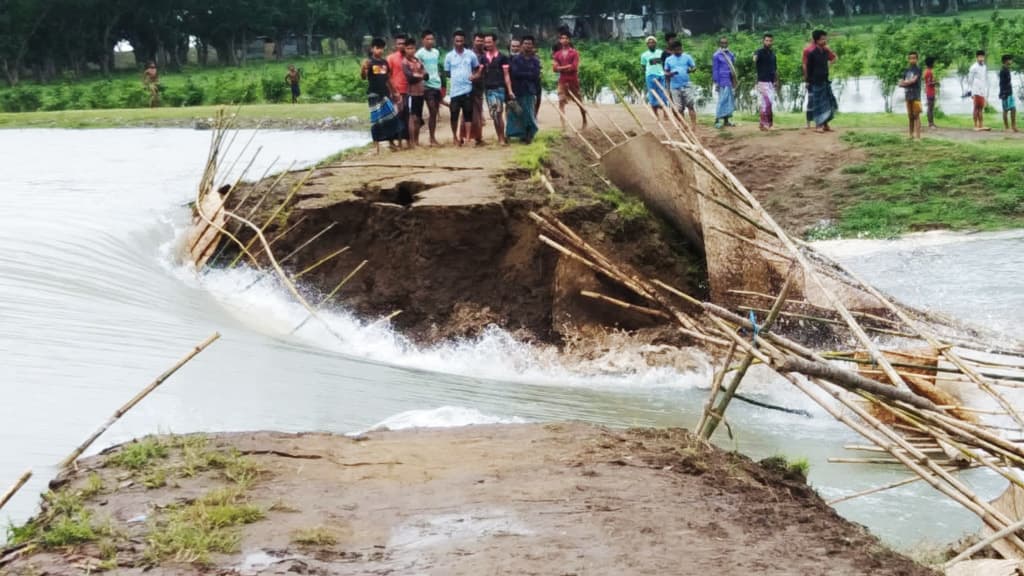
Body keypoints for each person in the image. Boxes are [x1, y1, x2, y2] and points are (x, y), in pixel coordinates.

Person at [361, 38, 402, 154]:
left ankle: (391, 143)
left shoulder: (384, 63)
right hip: (373, 94)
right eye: (377, 48)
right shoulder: (369, 62)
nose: (379, 50)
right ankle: (376, 147)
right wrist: (363, 68)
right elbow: (363, 77)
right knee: (376, 120)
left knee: (391, 117)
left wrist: (395, 92)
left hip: (385, 94)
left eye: (381, 48)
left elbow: (388, 79)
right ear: (372, 48)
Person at [444, 30, 480, 146]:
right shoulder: (449, 56)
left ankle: (468, 138)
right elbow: (447, 73)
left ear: (464, 41)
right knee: (454, 115)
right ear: (453, 41)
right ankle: (455, 137)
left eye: (461, 41)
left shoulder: (471, 55)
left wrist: (474, 76)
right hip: (455, 91)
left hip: (467, 89)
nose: (459, 43)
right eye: (457, 41)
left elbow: (478, 68)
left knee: (468, 114)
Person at [507, 35, 542, 144]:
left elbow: (536, 75)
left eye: (529, 44)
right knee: (516, 113)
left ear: (533, 46)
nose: (527, 46)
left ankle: (529, 134)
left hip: (530, 90)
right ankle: (519, 134)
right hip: (517, 89)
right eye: (525, 43)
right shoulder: (516, 59)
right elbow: (515, 73)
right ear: (522, 45)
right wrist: (528, 74)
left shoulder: (535, 60)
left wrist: (525, 74)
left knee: (528, 113)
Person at [481, 33, 512, 144]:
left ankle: (501, 137)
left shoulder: (503, 57)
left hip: (499, 88)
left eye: (489, 42)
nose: (487, 44)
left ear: (495, 42)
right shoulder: (483, 58)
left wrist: (510, 90)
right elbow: (481, 73)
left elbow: (506, 75)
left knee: (498, 112)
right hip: (488, 89)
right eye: (486, 42)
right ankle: (499, 135)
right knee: (493, 114)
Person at [553, 32, 587, 129]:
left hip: (573, 80)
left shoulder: (574, 53)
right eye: (562, 38)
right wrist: (566, 66)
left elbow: (574, 68)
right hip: (562, 81)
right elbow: (554, 69)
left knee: (579, 101)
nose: (564, 40)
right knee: (561, 101)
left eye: (566, 38)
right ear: (560, 40)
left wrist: (560, 67)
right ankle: (563, 124)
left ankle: (584, 120)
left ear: (569, 40)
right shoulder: (557, 54)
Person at [805, 30, 836, 133]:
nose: (825, 40)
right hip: (815, 81)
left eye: (825, 38)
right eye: (822, 39)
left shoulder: (826, 51)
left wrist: (828, 67)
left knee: (827, 103)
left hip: (825, 80)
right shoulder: (811, 53)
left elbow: (833, 59)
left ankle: (826, 124)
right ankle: (818, 125)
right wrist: (808, 81)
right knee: (818, 104)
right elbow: (807, 68)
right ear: (816, 40)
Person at [416, 30, 444, 146]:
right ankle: (416, 139)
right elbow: (417, 68)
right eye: (427, 39)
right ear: (423, 40)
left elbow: (436, 67)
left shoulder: (436, 52)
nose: (430, 41)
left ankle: (432, 138)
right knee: (429, 110)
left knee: (434, 113)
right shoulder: (419, 54)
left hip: (436, 84)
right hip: (426, 86)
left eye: (432, 39)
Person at [663, 40, 696, 125]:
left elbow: (694, 67)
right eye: (676, 50)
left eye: (680, 49)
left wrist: (691, 70)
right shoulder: (668, 60)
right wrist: (671, 73)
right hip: (674, 86)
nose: (678, 51)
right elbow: (665, 72)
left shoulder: (687, 57)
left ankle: (694, 125)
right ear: (672, 50)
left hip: (686, 84)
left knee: (690, 105)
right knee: (679, 108)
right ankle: (684, 125)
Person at [402, 36, 427, 147]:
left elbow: (426, 75)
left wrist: (420, 75)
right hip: (411, 93)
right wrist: (420, 75)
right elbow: (410, 77)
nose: (410, 50)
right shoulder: (405, 62)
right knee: (412, 118)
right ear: (405, 49)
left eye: (412, 48)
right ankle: (411, 142)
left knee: (418, 117)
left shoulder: (418, 61)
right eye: (408, 48)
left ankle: (416, 141)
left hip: (420, 92)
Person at [387, 34, 410, 143]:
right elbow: (387, 76)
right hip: (396, 92)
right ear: (395, 45)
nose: (401, 46)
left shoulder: (410, 57)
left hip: (409, 91)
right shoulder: (391, 58)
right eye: (399, 44)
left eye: (403, 44)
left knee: (407, 116)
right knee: (396, 116)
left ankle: (408, 140)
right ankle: (394, 141)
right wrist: (392, 91)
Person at [753, 33, 778, 131]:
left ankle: (768, 124)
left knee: (769, 103)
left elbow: (775, 69)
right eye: (767, 40)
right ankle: (764, 124)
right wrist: (755, 58)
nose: (768, 42)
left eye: (770, 41)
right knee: (765, 103)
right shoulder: (759, 51)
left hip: (771, 81)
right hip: (762, 81)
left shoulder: (772, 54)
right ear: (763, 41)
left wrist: (776, 80)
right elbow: (755, 58)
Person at [712, 36, 737, 129]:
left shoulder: (731, 54)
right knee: (721, 100)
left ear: (728, 43)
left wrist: (734, 80)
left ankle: (726, 121)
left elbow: (733, 69)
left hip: (729, 80)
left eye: (725, 43)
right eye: (722, 43)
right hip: (721, 81)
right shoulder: (716, 55)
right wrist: (716, 82)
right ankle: (717, 120)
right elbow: (715, 69)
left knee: (728, 101)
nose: (724, 45)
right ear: (719, 44)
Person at [640, 36, 668, 119]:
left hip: (661, 75)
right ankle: (655, 114)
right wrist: (649, 72)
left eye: (652, 42)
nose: (651, 44)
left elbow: (665, 62)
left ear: (656, 43)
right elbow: (643, 66)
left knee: (663, 93)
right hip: (650, 75)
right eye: (649, 43)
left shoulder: (661, 52)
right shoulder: (644, 55)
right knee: (652, 93)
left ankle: (665, 114)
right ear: (647, 45)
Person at [898, 51, 922, 140]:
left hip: (916, 96)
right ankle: (910, 135)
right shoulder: (906, 70)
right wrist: (907, 83)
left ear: (917, 59)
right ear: (908, 59)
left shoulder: (918, 69)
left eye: (914, 58)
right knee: (910, 116)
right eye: (911, 58)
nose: (912, 60)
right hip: (908, 95)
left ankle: (918, 137)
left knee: (916, 115)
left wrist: (905, 83)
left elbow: (914, 80)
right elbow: (900, 83)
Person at [966, 50, 990, 132]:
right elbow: (970, 80)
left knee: (981, 108)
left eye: (982, 56)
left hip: (982, 90)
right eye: (979, 57)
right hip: (975, 90)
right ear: (976, 57)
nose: (981, 58)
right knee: (976, 107)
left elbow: (985, 79)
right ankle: (975, 125)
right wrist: (971, 91)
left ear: (984, 57)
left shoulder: (984, 66)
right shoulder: (973, 67)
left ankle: (981, 125)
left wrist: (985, 91)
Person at [470, 32, 487, 145]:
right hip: (469, 85)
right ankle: (472, 137)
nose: (480, 43)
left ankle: (477, 136)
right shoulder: (469, 54)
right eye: (478, 40)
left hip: (481, 86)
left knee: (478, 111)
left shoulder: (485, 55)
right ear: (473, 41)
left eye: (482, 41)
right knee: (470, 112)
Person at [999, 54, 1018, 133]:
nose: (1011, 61)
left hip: (1010, 93)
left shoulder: (1007, 69)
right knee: (1006, 110)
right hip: (1005, 93)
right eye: (1010, 60)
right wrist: (1003, 93)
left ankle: (1013, 126)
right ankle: (1006, 127)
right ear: (1006, 61)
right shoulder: (1003, 70)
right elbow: (1001, 83)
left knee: (1013, 109)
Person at [924, 56, 938, 129]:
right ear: (931, 63)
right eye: (934, 63)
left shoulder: (927, 71)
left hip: (929, 91)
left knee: (931, 107)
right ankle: (930, 123)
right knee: (930, 108)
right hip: (930, 92)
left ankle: (931, 123)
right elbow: (929, 83)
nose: (934, 64)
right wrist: (935, 82)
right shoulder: (929, 72)